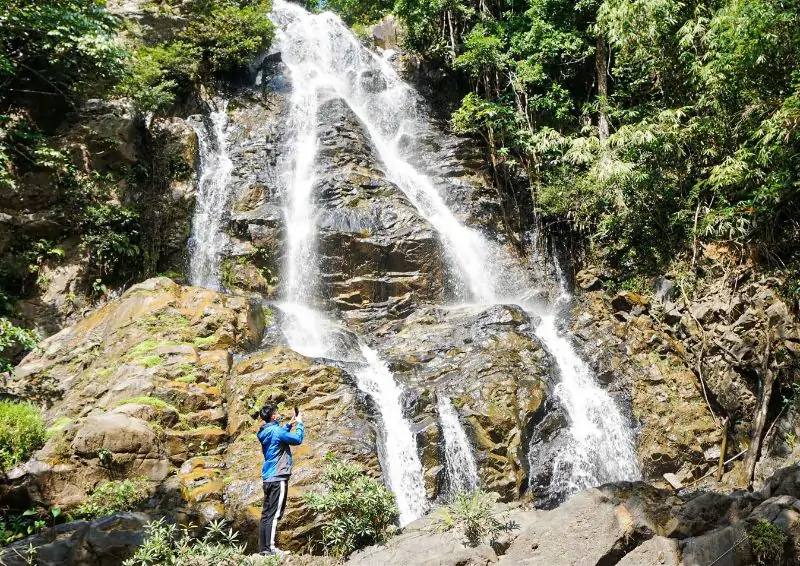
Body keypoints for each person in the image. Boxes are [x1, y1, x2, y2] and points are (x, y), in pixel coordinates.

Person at [256, 403, 305, 556]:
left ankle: (263, 549)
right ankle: (271, 549)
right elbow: (297, 439)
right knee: (275, 514)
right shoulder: (276, 431)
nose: (279, 414)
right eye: (276, 413)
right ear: (273, 416)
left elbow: (276, 437)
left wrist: (288, 425)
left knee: (266, 514)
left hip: (268, 478)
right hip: (278, 477)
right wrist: (300, 424)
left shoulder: (266, 431)